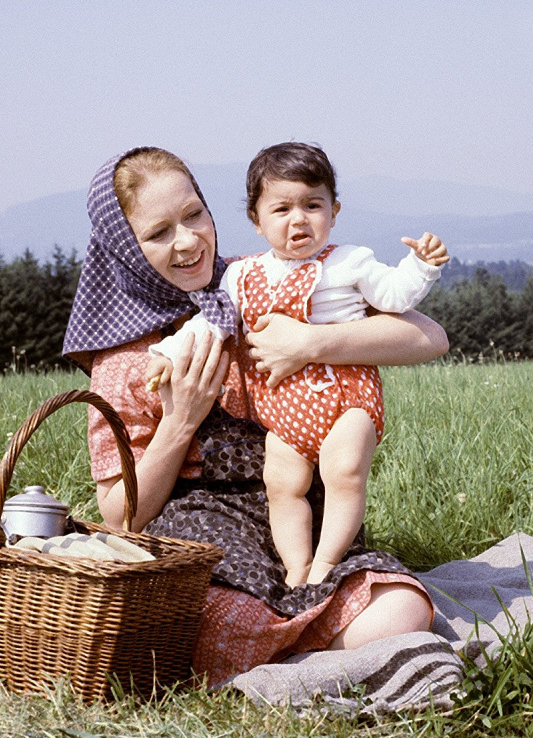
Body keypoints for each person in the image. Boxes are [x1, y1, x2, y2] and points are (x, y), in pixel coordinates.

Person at [62, 146, 449, 687]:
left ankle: (287, 648)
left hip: (295, 509)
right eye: (158, 233)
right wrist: (180, 423)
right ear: (125, 249)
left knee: (405, 609)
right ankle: (300, 648)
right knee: (205, 615)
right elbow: (120, 517)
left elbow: (429, 336)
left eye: (194, 214)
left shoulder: (252, 282)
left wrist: (312, 343)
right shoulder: (125, 359)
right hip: (202, 531)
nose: (188, 241)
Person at [145, 143, 449, 587]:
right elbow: (208, 324)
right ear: (257, 221)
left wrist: (421, 266)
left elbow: (394, 297)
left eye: (313, 205)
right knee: (282, 484)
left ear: (334, 209)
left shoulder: (350, 262)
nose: (298, 219)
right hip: (284, 411)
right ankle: (296, 569)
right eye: (282, 208)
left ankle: (327, 561)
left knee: (345, 470)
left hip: (346, 397)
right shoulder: (241, 276)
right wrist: (167, 354)